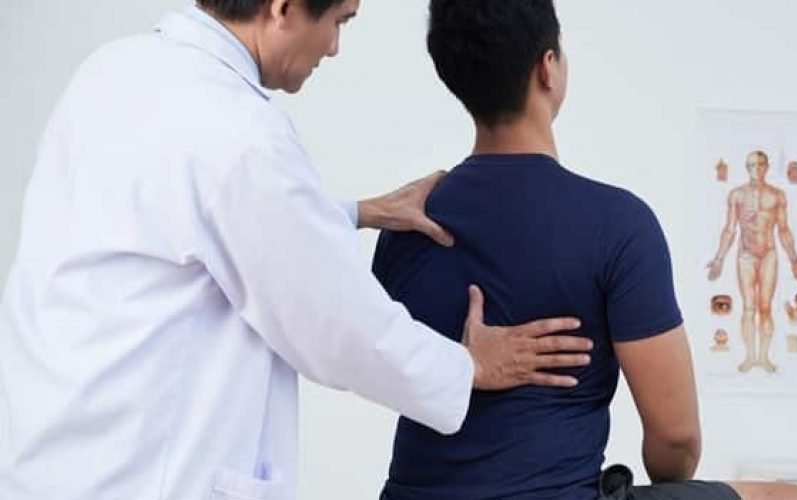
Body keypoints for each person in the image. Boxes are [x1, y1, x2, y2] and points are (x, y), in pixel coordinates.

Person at [0, 1, 593, 498]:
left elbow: (178, 223)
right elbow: (338, 327)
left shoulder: (116, 69)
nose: (333, 48)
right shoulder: (237, 134)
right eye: (339, 21)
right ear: (283, 8)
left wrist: (356, 212)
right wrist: (468, 366)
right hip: (146, 474)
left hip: (58, 454)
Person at [371, 1, 797, 499]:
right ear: (548, 68)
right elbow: (675, 437)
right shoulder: (617, 224)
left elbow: (380, 365)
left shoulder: (406, 221)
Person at [707, 151, 797, 374]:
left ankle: (763, 358)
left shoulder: (777, 195)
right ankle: (749, 356)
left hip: (769, 254)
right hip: (745, 254)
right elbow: (729, 229)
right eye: (753, 164)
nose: (757, 168)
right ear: (747, 167)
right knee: (748, 307)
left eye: (761, 164)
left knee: (765, 308)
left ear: (767, 166)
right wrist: (719, 259)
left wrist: (795, 260)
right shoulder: (737, 195)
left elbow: (783, 230)